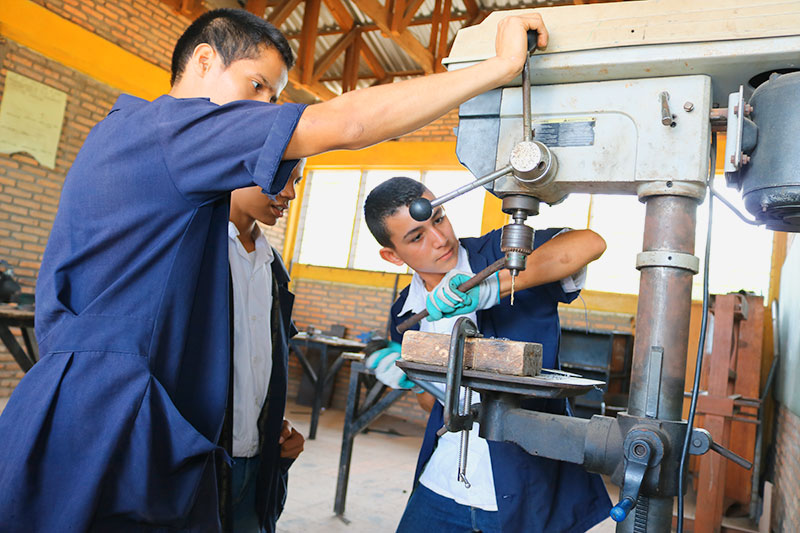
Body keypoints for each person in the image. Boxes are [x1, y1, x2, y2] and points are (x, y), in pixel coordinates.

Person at [0, 8, 549, 531]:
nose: (265, 108)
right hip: (106, 418)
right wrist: (499, 66)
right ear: (204, 61)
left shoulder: (152, 155)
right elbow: (349, 121)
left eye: (275, 97)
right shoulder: (167, 130)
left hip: (130, 415)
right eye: (257, 85)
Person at [363, 177, 612, 533]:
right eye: (416, 237)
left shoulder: (501, 254)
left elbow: (589, 243)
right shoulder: (408, 312)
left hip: (523, 480)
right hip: (444, 477)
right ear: (392, 255)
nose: (440, 239)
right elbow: (431, 405)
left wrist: (491, 288)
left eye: (439, 219)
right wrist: (412, 380)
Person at [226, 161, 306, 532]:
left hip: (258, 463)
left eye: (296, 181)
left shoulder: (273, 269)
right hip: (193, 467)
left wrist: (272, 427)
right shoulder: (189, 253)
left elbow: (257, 366)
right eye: (280, 177)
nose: (290, 193)